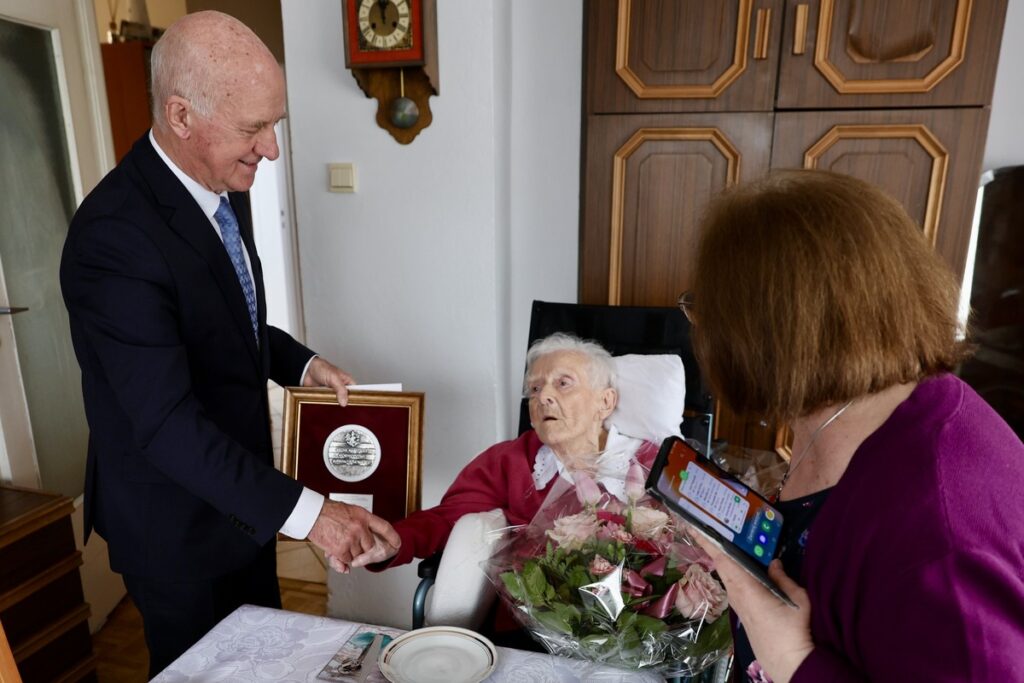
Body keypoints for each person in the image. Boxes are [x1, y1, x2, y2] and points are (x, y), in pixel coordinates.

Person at [59, 11, 398, 675]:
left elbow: (222, 321)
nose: (270, 150)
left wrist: (300, 359)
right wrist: (312, 514)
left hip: (242, 510)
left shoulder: (220, 183)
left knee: (266, 662)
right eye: (253, 129)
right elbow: (166, 425)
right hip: (175, 528)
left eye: (275, 125)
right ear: (182, 116)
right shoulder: (113, 240)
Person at [682, 169, 1024, 682]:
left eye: (705, 313)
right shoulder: (844, 404)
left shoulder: (942, 535)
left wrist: (794, 659)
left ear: (771, 340)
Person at [352, 332, 661, 643]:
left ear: (605, 401)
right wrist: (395, 541)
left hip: (632, 630)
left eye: (563, 383)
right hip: (527, 629)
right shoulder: (510, 460)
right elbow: (449, 519)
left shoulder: (652, 464)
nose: (543, 397)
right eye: (535, 389)